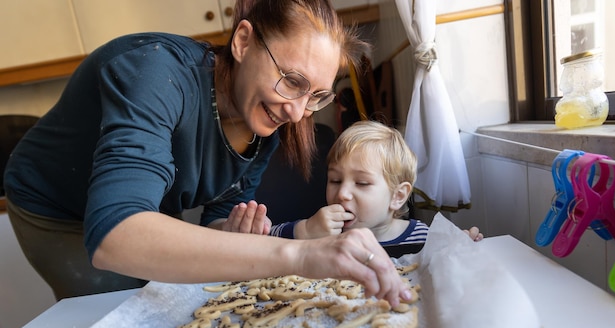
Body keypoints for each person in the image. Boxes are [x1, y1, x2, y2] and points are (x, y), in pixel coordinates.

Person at [3, 0, 412, 307]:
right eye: (291, 80)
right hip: (56, 209)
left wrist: (230, 233)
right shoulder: (154, 72)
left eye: (316, 96)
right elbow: (117, 234)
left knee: (173, 296)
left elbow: (219, 214)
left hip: (140, 206)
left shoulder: (267, 119)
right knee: (123, 305)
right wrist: (299, 252)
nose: (297, 111)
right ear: (243, 41)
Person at [268, 120, 484, 244]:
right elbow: (268, 238)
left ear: (397, 196)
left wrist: (462, 246)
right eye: (335, 180)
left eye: (361, 183)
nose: (342, 193)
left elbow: (450, 262)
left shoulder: (423, 239)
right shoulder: (322, 233)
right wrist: (304, 230)